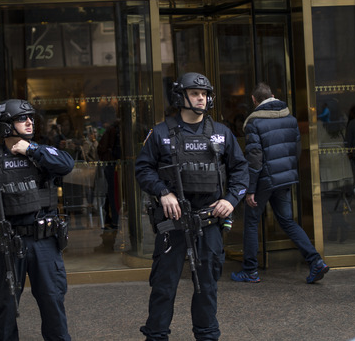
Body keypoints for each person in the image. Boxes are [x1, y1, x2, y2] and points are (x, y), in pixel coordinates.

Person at [135, 72, 248, 340]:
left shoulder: (221, 133)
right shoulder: (161, 132)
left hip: (209, 221)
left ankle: (207, 336)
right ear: (181, 97)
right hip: (173, 221)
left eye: (205, 94)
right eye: (196, 93)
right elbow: (143, 169)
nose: (202, 98)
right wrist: (163, 192)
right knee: (164, 285)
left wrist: (230, 200)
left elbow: (241, 170)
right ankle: (156, 335)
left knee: (206, 285)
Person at [0, 99, 75, 340]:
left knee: (53, 303)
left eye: (31, 117)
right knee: (4, 307)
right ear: (5, 125)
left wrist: (31, 150)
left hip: (44, 241)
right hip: (8, 243)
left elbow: (67, 164)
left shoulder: (41, 154)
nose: (30, 121)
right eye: (22, 118)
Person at [230, 82, 329, 284]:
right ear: (273, 96)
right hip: (284, 178)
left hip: (264, 180)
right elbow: (296, 150)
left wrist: (250, 189)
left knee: (251, 222)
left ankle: (250, 270)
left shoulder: (253, 123)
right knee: (287, 221)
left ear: (254, 99)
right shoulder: (290, 119)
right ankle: (315, 260)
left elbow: (255, 159)